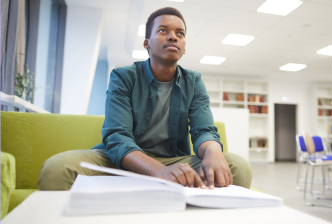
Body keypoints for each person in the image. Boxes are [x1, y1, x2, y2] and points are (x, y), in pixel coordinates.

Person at [38, 7, 252, 190]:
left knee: (237, 165)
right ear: (147, 43)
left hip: (174, 160)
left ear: (184, 47)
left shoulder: (194, 82)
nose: (173, 37)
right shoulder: (123, 76)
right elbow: (117, 137)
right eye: (163, 31)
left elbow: (203, 130)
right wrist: (158, 171)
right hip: (125, 160)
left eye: (180, 33)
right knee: (58, 168)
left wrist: (213, 151)